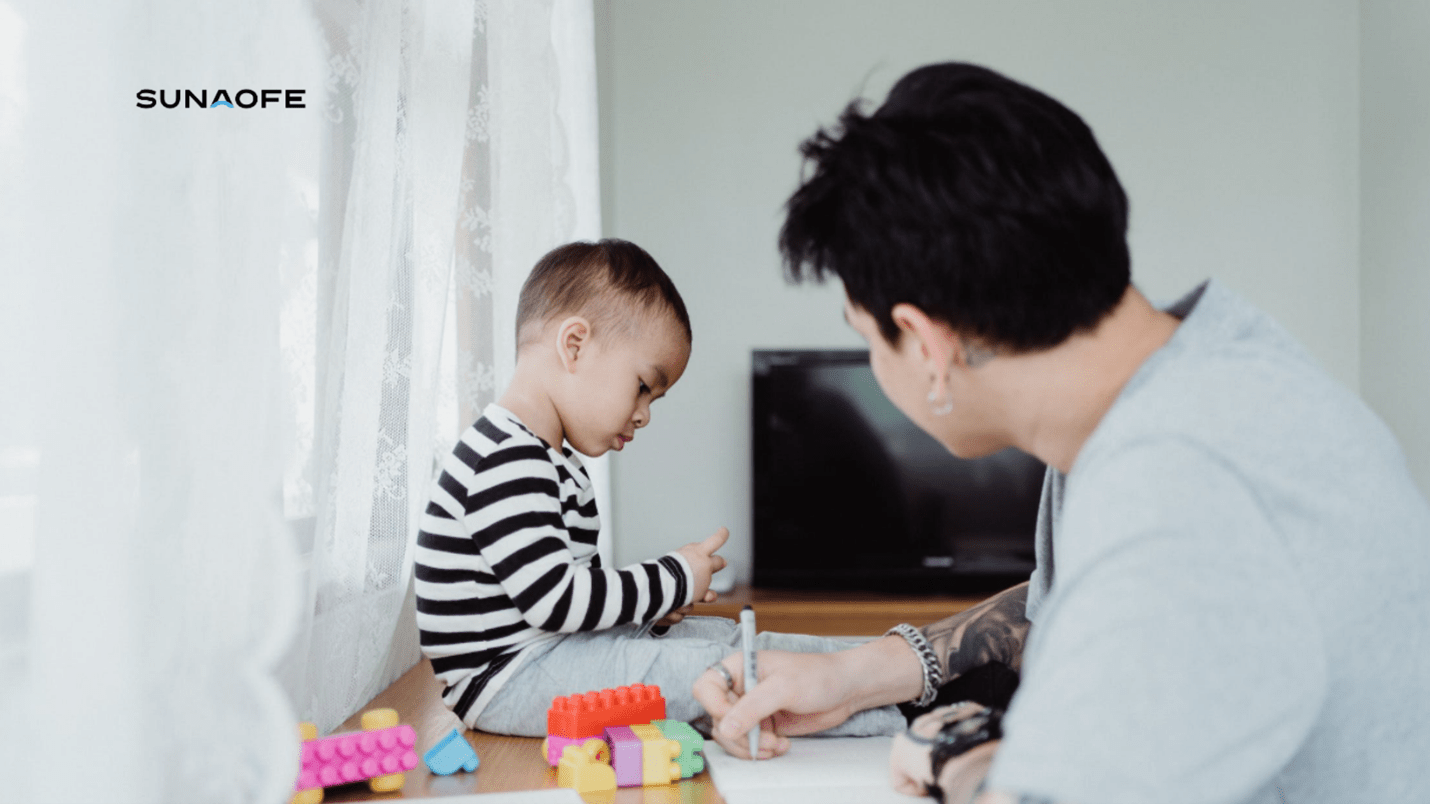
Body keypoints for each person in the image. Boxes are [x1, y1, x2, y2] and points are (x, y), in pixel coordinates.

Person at [693, 62, 1430, 803]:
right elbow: (1073, 602)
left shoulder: (1184, 483)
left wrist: (959, 764)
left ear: (926, 344)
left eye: (868, 337)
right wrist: (855, 676)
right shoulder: (1173, 385)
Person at [414, 238, 905, 739]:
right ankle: (902, 714)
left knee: (730, 640)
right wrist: (669, 577)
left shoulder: (549, 461)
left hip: (542, 658)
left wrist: (651, 606)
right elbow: (556, 601)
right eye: (644, 386)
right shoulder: (505, 458)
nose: (644, 414)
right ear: (575, 345)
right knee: (720, 665)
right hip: (506, 680)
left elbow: (574, 604)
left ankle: (891, 675)